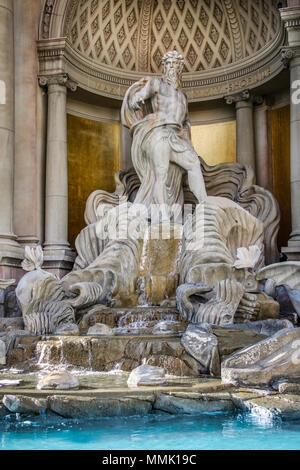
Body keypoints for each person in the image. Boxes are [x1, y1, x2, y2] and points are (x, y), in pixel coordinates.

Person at [121, 50, 207, 216]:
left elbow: (185, 123)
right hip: (158, 132)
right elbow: (141, 95)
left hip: (176, 136)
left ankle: (205, 206)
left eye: (175, 64)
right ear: (164, 67)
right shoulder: (156, 84)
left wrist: (189, 145)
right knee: (161, 174)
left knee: (194, 164)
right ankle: (163, 219)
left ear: (180, 69)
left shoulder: (183, 97)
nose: (171, 68)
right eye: (168, 64)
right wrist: (136, 99)